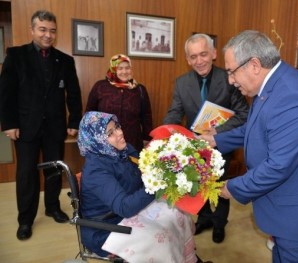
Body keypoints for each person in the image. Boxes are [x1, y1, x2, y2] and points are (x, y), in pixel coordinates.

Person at [200, 30, 298, 262]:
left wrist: (232, 187)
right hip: (289, 213)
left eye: (231, 72)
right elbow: (255, 128)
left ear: (254, 65)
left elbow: (278, 166)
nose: (230, 80)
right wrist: (216, 139)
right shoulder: (273, 86)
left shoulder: (292, 99)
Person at [0, 10, 82, 241]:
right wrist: (9, 123)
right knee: (26, 173)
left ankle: (52, 207)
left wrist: (73, 121)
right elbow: (6, 93)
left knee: (54, 169)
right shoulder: (15, 56)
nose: (48, 35)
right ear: (33, 30)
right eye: (43, 29)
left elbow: (73, 94)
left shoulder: (65, 60)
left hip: (55, 126)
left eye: (52, 30)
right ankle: (25, 219)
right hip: (25, 127)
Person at [77, 111, 200, 262]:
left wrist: (168, 163)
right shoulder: (96, 170)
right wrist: (157, 183)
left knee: (178, 212)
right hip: (107, 227)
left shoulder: (124, 150)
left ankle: (186, 257)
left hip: (128, 210)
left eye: (117, 126)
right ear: (96, 140)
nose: (120, 133)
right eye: (110, 133)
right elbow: (125, 207)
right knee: (161, 238)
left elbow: (143, 170)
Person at [163, 33, 249, 243]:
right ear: (187, 59)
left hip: (222, 144)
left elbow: (244, 115)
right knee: (199, 184)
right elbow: (175, 111)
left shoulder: (230, 78)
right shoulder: (182, 83)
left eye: (203, 54)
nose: (199, 61)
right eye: (193, 57)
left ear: (213, 53)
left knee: (219, 186)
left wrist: (217, 132)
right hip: (195, 147)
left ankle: (220, 223)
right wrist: (168, 129)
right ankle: (204, 218)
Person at [86, 54, 152, 152]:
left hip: (132, 142)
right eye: (120, 68)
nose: (124, 71)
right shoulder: (100, 87)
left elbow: (146, 116)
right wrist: (90, 136)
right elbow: (89, 113)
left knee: (131, 167)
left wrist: (147, 138)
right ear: (113, 70)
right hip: (105, 142)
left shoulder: (140, 89)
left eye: (127, 68)